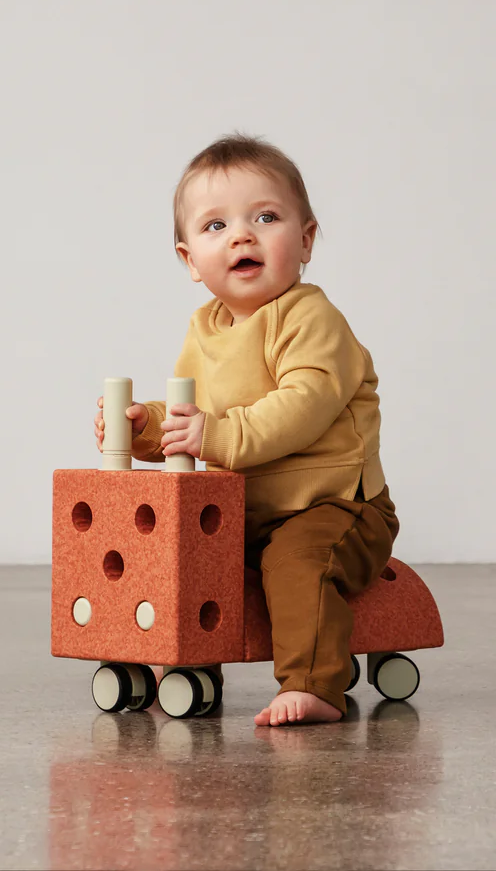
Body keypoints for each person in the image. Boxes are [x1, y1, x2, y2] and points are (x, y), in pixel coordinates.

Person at [93, 132, 399, 725]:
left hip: (334, 506)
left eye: (265, 217)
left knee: (299, 562)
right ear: (190, 260)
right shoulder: (205, 329)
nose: (242, 236)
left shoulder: (312, 318)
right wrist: (143, 427)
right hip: (243, 511)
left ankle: (314, 685)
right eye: (216, 226)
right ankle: (180, 660)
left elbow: (303, 405)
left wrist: (216, 437)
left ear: (306, 240)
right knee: (181, 556)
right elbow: (192, 412)